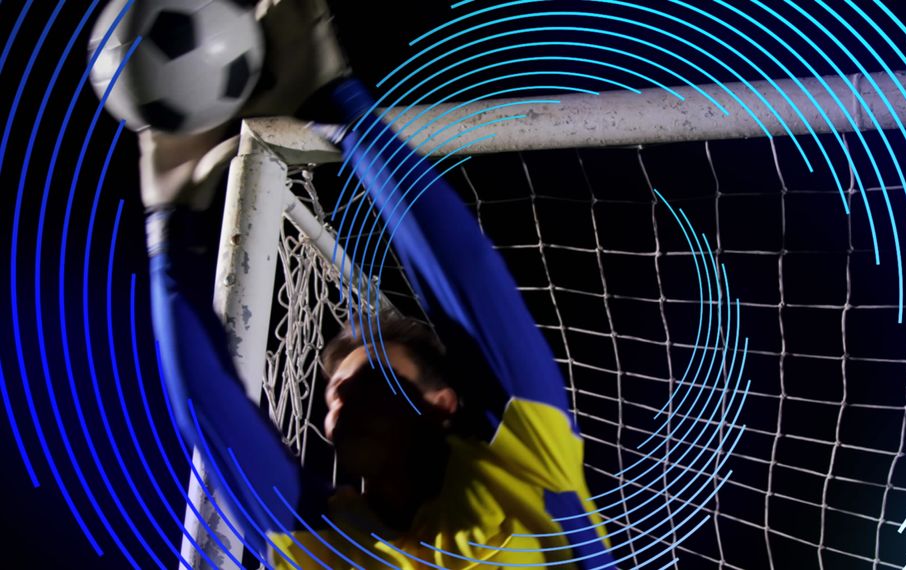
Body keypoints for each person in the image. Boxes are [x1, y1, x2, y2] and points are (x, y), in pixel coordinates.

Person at [144, 1, 614, 567]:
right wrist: (169, 227)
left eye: (367, 376)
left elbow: (468, 286)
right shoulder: (337, 545)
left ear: (441, 405)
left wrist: (340, 106)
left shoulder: (525, 475)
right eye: (334, 385)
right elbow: (211, 419)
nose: (336, 391)